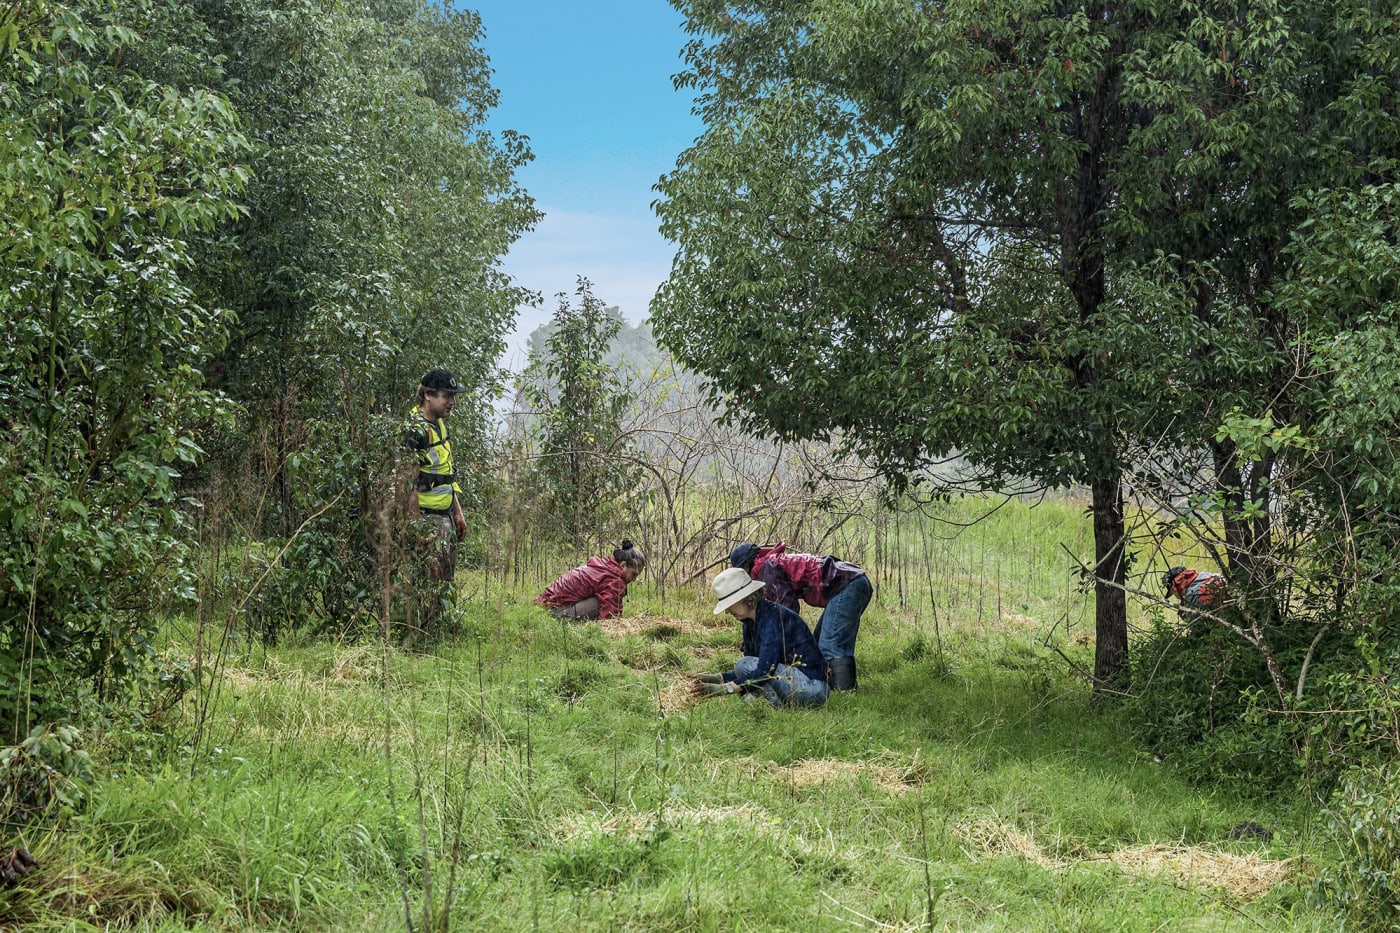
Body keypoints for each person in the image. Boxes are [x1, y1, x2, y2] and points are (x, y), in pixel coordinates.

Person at [729, 541, 871, 691]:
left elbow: (784, 609)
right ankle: (832, 688)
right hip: (851, 581)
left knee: (830, 645)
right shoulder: (770, 563)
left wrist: (773, 639)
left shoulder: (766, 569)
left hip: (847, 584)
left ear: (745, 566)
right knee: (817, 644)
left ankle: (844, 693)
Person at [690, 567, 828, 708]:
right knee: (745, 678)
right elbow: (753, 669)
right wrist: (718, 678)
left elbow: (765, 669)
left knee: (743, 666)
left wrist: (724, 689)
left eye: (730, 605)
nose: (727, 611)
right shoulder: (749, 622)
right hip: (794, 682)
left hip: (813, 687)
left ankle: (774, 707)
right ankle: (776, 709)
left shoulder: (772, 618)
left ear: (746, 599)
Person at [404, 369, 469, 585]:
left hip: (444, 517)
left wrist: (457, 512)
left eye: (454, 396)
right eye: (447, 396)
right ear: (428, 395)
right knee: (426, 587)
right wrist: (417, 527)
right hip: (426, 520)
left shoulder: (438, 424)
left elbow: (445, 474)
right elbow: (406, 484)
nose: (452, 401)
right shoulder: (415, 429)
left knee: (444, 586)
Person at [536, 540, 646, 620]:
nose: (634, 580)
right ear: (623, 565)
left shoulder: (605, 567)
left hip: (543, 605)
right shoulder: (614, 578)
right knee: (600, 603)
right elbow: (610, 615)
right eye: (634, 574)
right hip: (555, 611)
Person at [1163, 566, 1228, 613]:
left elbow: (1197, 628)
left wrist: (1185, 612)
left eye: (1173, 592)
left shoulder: (1191, 598)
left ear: (1174, 588)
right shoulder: (1206, 574)